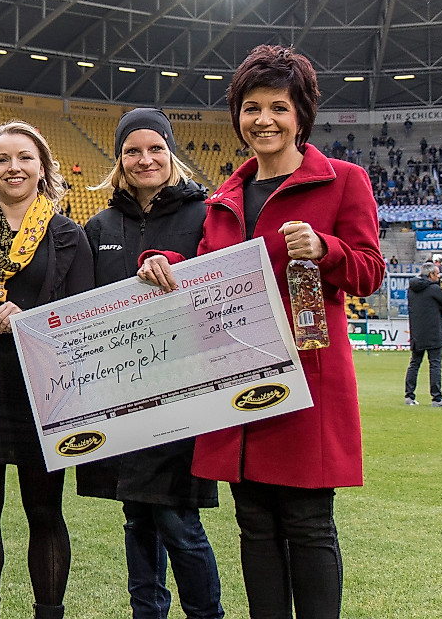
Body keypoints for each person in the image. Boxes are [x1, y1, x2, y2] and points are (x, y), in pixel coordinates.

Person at [136, 45, 385, 619]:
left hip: (308, 380)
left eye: (278, 107)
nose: (264, 120)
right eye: (251, 107)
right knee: (254, 524)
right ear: (237, 116)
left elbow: (370, 272)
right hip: (238, 380)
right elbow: (209, 274)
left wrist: (326, 249)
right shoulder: (223, 197)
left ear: (301, 115)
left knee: (308, 523)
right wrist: (165, 262)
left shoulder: (344, 181)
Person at [0, 121, 94, 619]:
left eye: (25, 158)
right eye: (2, 159)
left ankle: (48, 612)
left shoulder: (67, 235)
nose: (14, 168)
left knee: (45, 513)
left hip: (42, 391)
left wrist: (29, 319)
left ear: (42, 167)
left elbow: (81, 318)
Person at [78, 108, 223, 619]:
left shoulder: (205, 215)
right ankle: (147, 612)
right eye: (132, 151)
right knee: (137, 517)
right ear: (119, 160)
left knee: (178, 522)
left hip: (183, 394)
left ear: (171, 153)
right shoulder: (99, 226)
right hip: (120, 397)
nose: (145, 160)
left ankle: (206, 614)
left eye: (155, 148)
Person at [404, 262, 442, 407]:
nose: (439, 277)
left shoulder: (411, 289)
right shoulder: (434, 289)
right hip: (433, 331)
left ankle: (409, 396)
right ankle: (437, 398)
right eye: (437, 274)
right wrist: (437, 308)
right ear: (431, 274)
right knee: (435, 364)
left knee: (414, 364)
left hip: (417, 332)